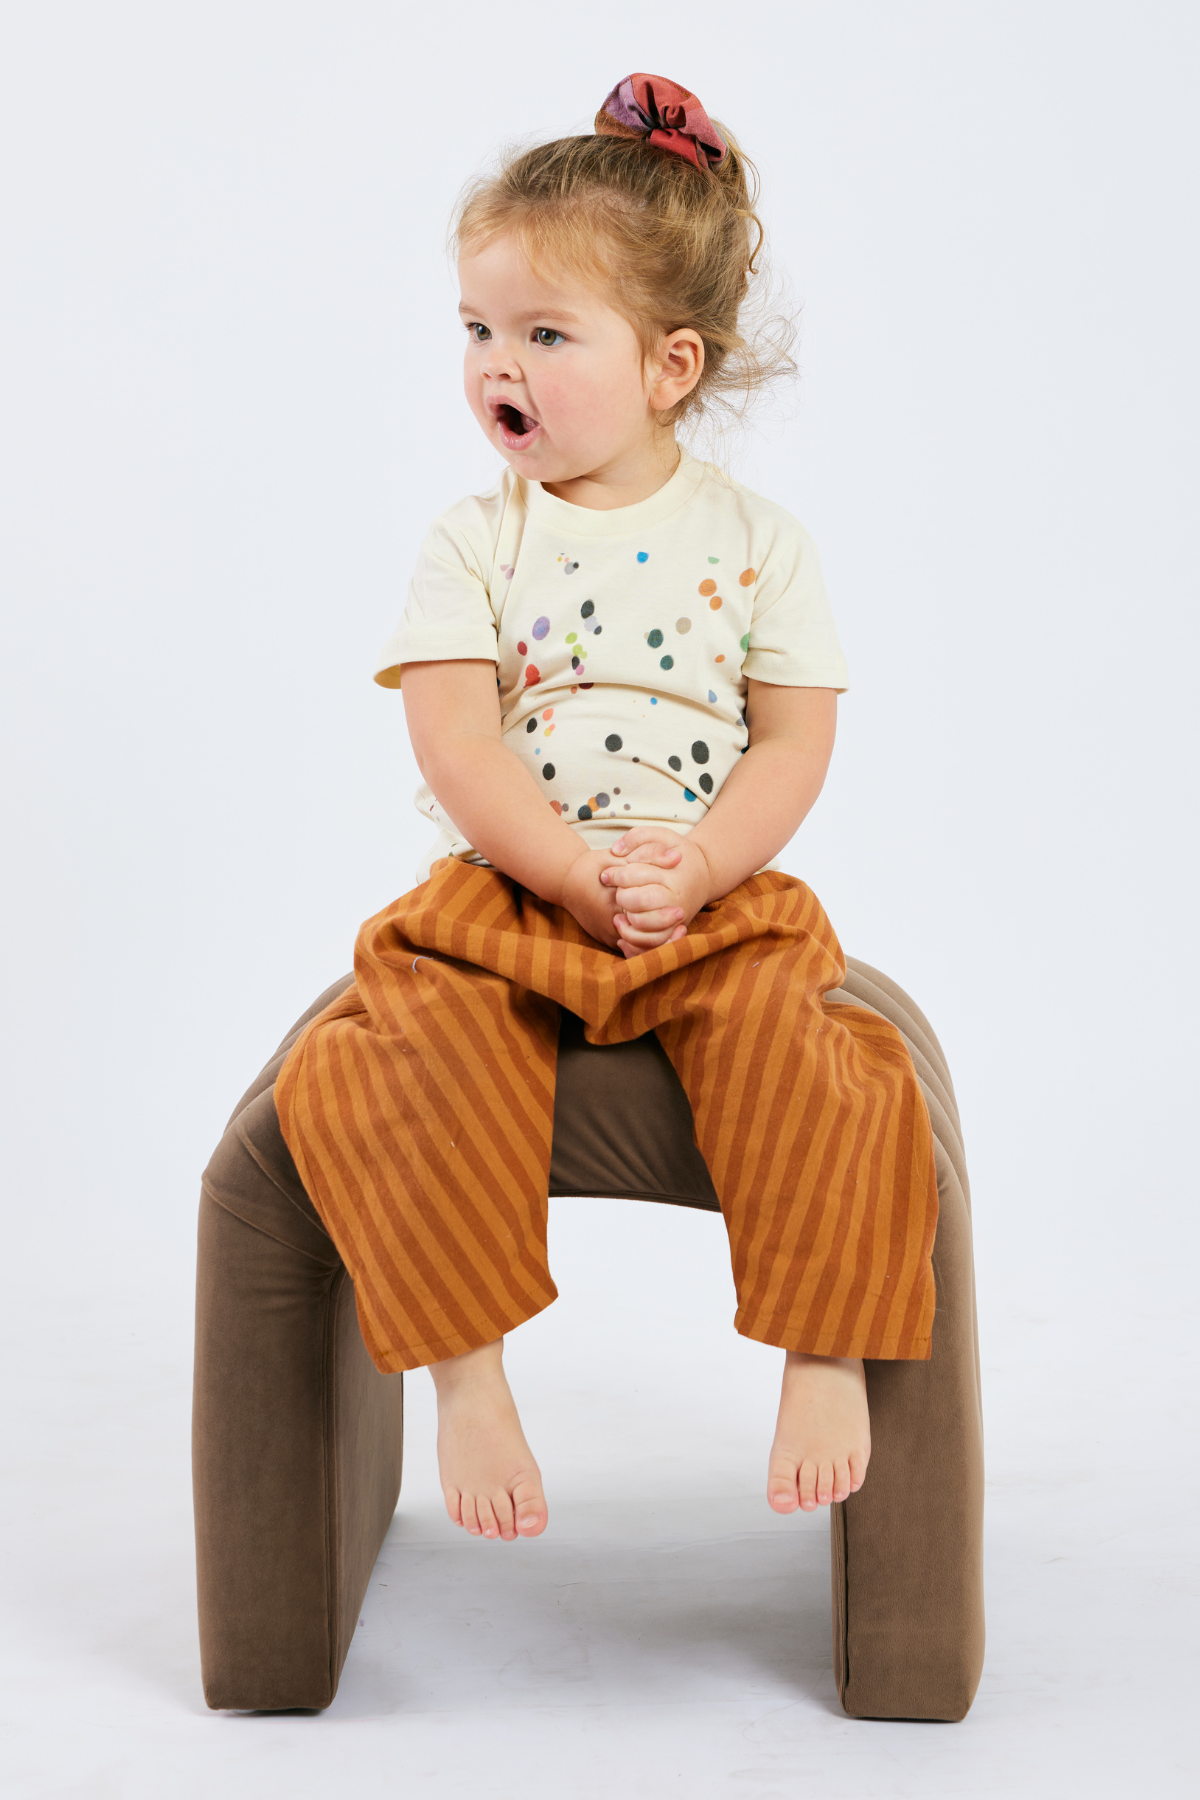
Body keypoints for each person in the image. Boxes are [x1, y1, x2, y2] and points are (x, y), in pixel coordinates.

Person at [275, 73, 938, 1547]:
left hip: (702, 895)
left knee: (827, 1057)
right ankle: (467, 1369)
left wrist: (699, 863)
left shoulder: (762, 544)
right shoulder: (475, 540)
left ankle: (822, 1350)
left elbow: (792, 747)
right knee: (402, 1039)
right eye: (478, 329)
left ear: (670, 365)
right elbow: (455, 739)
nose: (495, 363)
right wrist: (566, 870)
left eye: (544, 334)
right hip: (516, 887)